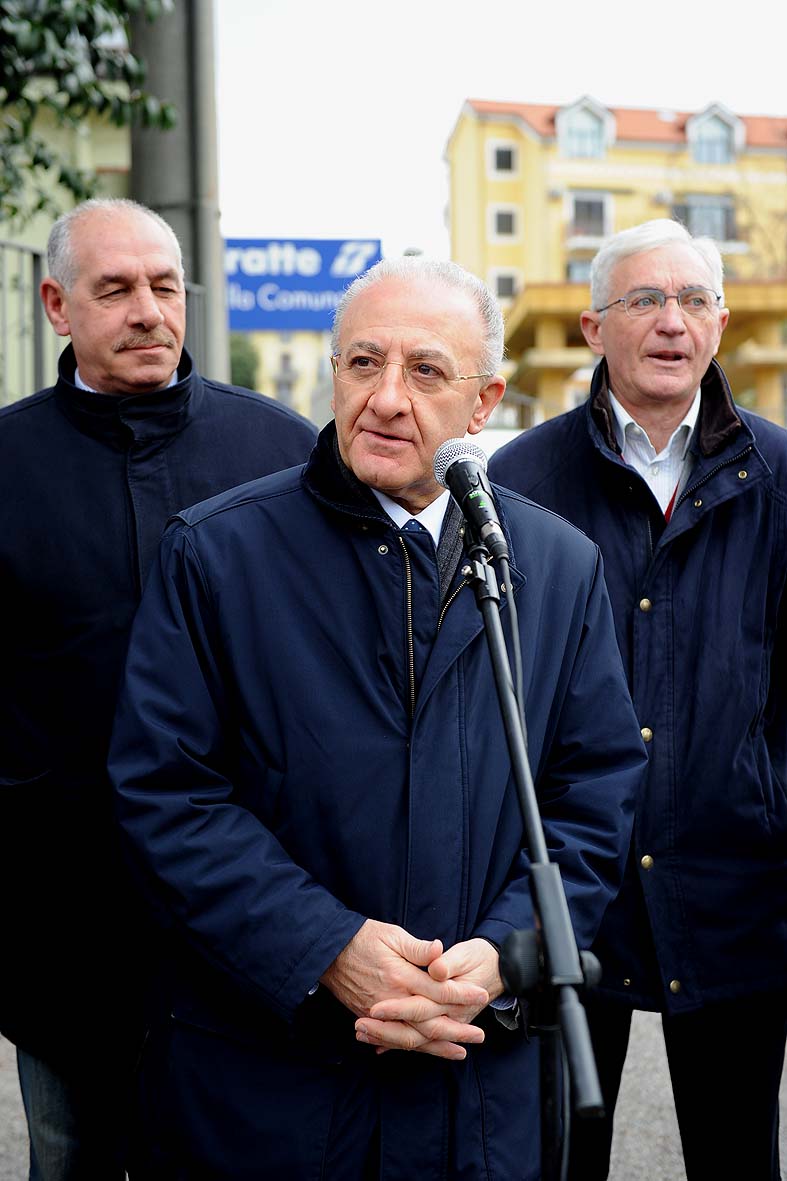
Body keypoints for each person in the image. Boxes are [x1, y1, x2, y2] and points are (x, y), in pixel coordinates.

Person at [108, 255, 647, 1180]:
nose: (386, 398)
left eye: (425, 370)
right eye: (363, 364)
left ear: (484, 402)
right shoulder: (217, 553)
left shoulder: (555, 565)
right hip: (271, 1084)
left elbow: (590, 789)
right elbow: (167, 793)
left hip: (474, 1085)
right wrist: (326, 948)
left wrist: (500, 958)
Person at [0, 197, 317, 1181]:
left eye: (164, 285)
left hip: (245, 914)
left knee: (239, 1155)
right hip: (59, 920)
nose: (147, 309)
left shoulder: (284, 450)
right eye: (115, 288)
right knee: (76, 1156)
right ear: (57, 303)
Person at [489, 218, 787, 1180]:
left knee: (736, 1152)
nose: (672, 322)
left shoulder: (780, 473)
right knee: (553, 1157)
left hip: (739, 881)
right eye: (644, 300)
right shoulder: (517, 479)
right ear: (591, 327)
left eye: (694, 299)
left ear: (721, 322)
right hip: (571, 889)